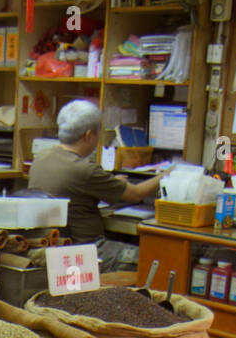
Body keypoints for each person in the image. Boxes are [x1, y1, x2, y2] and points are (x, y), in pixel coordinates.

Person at [27, 100, 162, 272]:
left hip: (54, 248)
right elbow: (135, 194)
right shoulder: (85, 170)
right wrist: (166, 176)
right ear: (88, 135)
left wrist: (112, 183)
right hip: (87, 251)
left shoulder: (41, 157)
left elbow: (76, 190)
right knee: (155, 259)